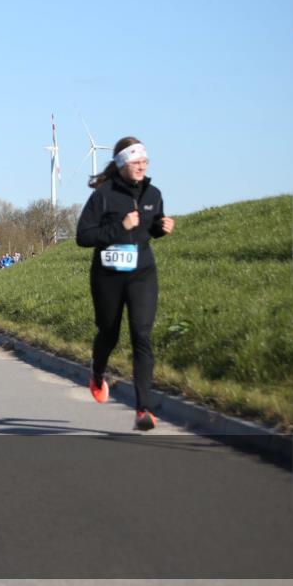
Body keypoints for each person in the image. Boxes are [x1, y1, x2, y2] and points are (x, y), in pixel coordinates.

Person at [76, 137, 174, 431]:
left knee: (141, 335)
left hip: (142, 272)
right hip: (108, 275)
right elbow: (84, 236)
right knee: (109, 332)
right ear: (121, 164)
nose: (141, 165)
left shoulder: (153, 194)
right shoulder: (103, 196)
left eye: (144, 161)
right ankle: (97, 373)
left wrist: (161, 227)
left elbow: (150, 228)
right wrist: (121, 227)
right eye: (135, 161)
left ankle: (143, 408)